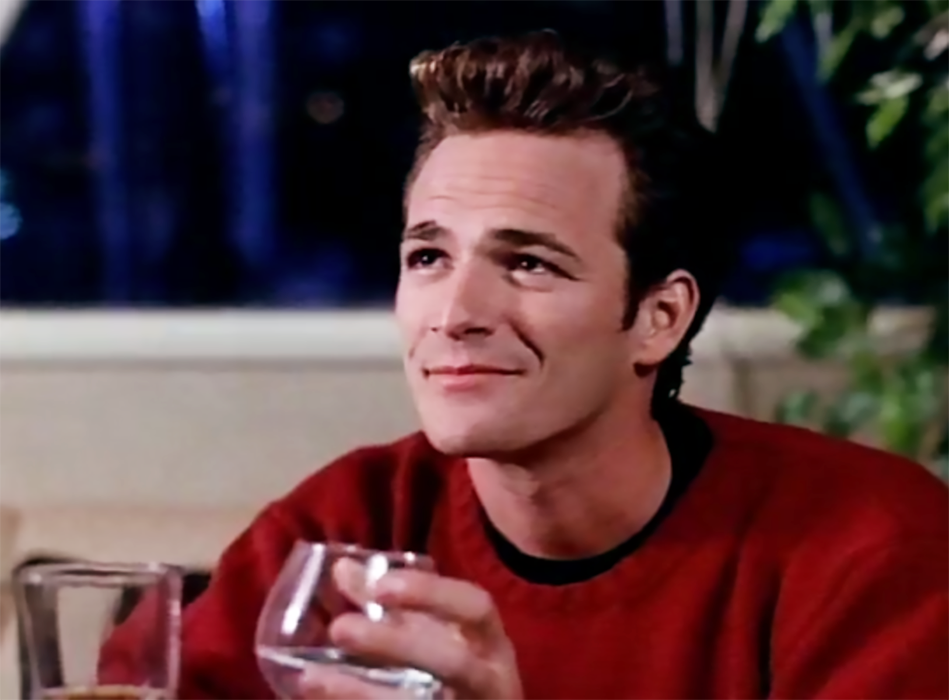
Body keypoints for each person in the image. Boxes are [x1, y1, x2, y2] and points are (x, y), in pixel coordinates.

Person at [100, 31, 949, 699]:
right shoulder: (349, 525)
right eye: (428, 258)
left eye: (529, 264)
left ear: (658, 319)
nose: (455, 314)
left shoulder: (868, 550)